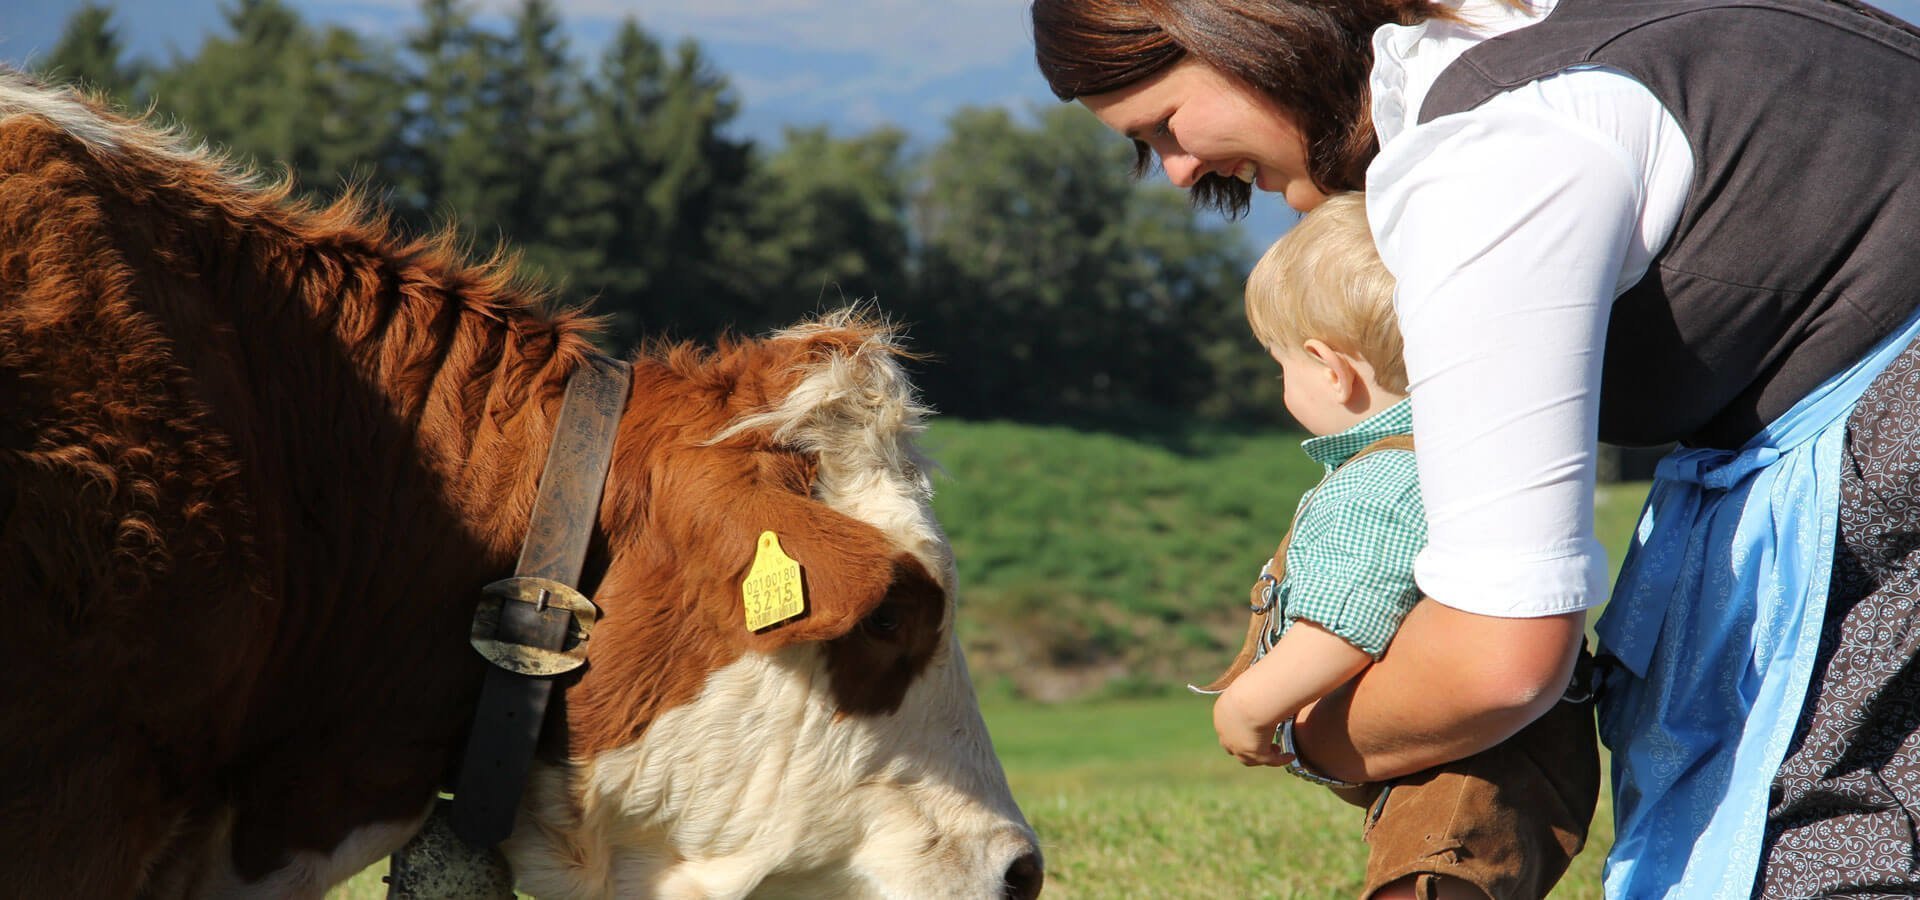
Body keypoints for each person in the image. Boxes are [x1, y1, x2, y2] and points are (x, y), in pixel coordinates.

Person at [1029, 0, 1920, 896]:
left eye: (1166, 124)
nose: (1178, 172)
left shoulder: (1497, 155)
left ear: (1245, 29)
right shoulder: (1551, 38)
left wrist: (1302, 732)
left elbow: (1499, 659)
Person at [1205, 192, 1597, 900]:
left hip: (1459, 769)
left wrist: (1249, 707)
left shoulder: (1381, 480)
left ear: (1331, 369)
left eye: (1279, 364)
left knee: (1426, 882)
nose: (1279, 381)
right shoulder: (1465, 449)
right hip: (1517, 752)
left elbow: (1346, 622)